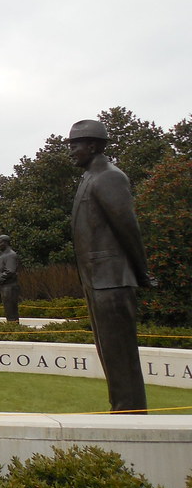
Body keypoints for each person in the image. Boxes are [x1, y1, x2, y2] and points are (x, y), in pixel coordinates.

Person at [69, 119, 155, 414]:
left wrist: (142, 272)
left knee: (120, 355)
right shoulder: (90, 178)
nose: (71, 152)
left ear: (93, 146)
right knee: (108, 352)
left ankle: (130, 413)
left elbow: (127, 227)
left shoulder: (109, 177)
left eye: (75, 145)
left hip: (112, 279)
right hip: (97, 280)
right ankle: (121, 409)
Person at [0, 235, 21, 323]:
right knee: (8, 308)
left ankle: (13, 328)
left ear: (6, 243)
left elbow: (10, 270)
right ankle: (11, 326)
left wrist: (0, 277)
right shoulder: (4, 255)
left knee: (10, 309)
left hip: (10, 286)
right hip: (5, 286)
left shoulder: (11, 255)